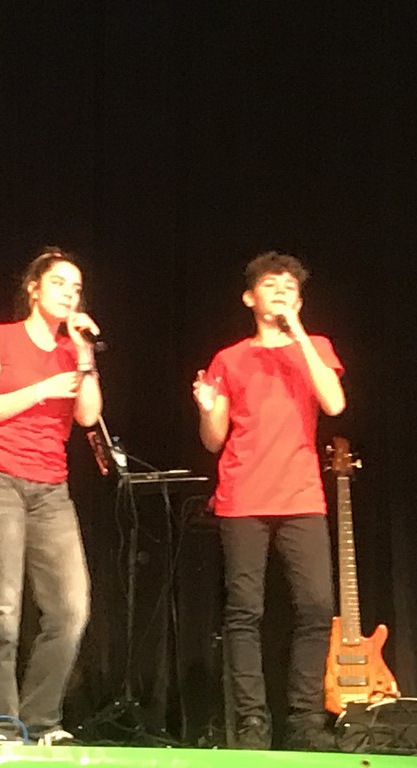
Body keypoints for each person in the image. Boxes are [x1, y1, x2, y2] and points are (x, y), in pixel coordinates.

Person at [193, 251, 344, 751]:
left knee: (317, 607)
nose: (280, 292)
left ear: (299, 300)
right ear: (249, 297)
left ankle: (305, 721)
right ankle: (252, 723)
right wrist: (207, 409)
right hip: (243, 495)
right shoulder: (229, 358)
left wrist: (297, 332)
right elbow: (214, 439)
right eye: (270, 285)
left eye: (290, 288)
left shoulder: (316, 346)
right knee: (244, 612)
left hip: (301, 493)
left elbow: (334, 403)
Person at [0, 247, 101, 745]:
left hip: (50, 488)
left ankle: (42, 720)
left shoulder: (72, 352)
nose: (69, 294)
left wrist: (84, 356)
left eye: (76, 288)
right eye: (59, 283)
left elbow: (87, 416)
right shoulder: (0, 337)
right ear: (33, 289)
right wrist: (42, 389)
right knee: (2, 609)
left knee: (71, 609)